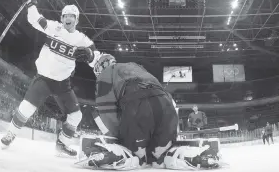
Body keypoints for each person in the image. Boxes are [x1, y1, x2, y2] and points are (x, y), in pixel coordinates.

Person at [76, 54, 220, 170]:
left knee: (139, 157)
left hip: (137, 106)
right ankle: (196, 157)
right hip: (166, 106)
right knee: (159, 157)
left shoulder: (106, 74)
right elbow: (164, 94)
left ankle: (113, 155)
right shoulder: (136, 67)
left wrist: (118, 135)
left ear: (100, 67)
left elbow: (106, 109)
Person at [0, 0, 101, 157]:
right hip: (44, 79)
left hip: (63, 83)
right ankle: (10, 133)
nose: (68, 19)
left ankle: (62, 144)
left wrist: (91, 55)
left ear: (76, 19)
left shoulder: (82, 39)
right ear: (61, 18)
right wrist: (31, 4)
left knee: (76, 116)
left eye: (71, 16)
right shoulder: (53, 27)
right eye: (65, 16)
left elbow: (95, 56)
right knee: (26, 108)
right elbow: (35, 19)